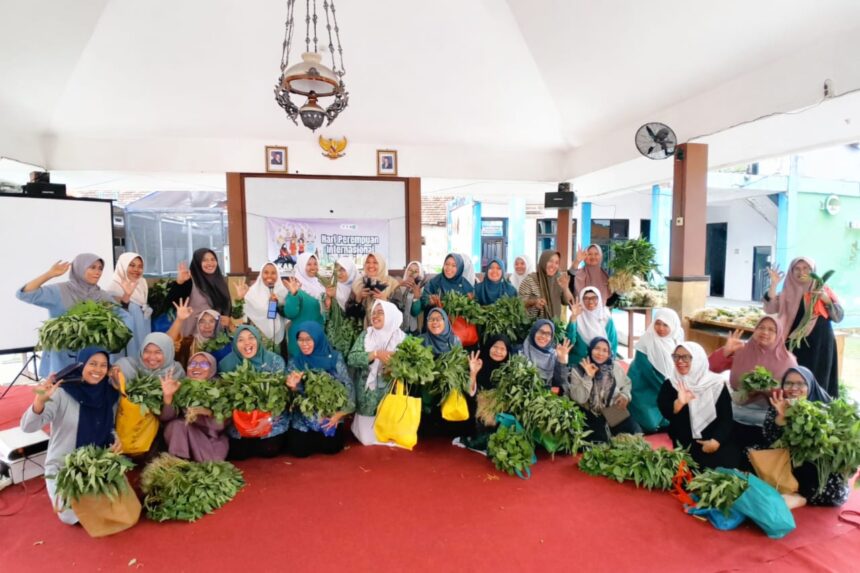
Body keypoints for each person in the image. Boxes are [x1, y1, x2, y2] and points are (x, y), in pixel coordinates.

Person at [20, 347, 120, 525]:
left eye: (103, 365)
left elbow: (109, 426)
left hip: (95, 464)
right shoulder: (62, 392)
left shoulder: (109, 394)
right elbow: (27, 427)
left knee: (116, 506)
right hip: (64, 467)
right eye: (93, 364)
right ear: (81, 364)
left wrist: (115, 439)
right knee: (70, 514)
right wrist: (39, 402)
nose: (98, 370)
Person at [16, 254, 130, 377]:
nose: (97, 272)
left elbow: (122, 317)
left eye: (100, 268)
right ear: (80, 268)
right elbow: (25, 294)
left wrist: (125, 300)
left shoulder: (102, 295)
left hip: (92, 361)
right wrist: (49, 274)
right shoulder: (60, 290)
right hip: (63, 359)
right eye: (92, 267)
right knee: (62, 392)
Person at [708, 316, 797, 450]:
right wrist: (725, 351)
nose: (765, 332)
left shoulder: (788, 360)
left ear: (779, 334)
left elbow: (792, 395)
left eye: (771, 330)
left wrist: (768, 390)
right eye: (761, 328)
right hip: (735, 414)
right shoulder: (741, 351)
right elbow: (710, 368)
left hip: (767, 420)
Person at [764, 366, 848, 507]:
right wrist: (782, 417)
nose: (793, 388)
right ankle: (792, 489)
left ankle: (801, 497)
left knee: (834, 490)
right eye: (788, 383)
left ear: (810, 384)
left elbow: (833, 447)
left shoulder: (827, 407)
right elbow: (770, 439)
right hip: (787, 459)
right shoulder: (779, 404)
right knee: (750, 452)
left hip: (816, 463)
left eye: (800, 383)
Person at [764, 257, 844, 397]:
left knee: (819, 378)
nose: (802, 272)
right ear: (792, 271)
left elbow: (838, 316)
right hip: (794, 344)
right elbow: (770, 308)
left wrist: (826, 300)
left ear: (813, 271)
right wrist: (774, 285)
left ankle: (817, 410)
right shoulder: (787, 291)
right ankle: (790, 410)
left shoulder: (823, 289)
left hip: (820, 344)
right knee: (794, 378)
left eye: (806, 268)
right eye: (797, 269)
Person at [657, 342, 740, 469]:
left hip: (715, 439)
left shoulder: (715, 384)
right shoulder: (671, 383)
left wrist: (716, 441)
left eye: (686, 357)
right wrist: (678, 404)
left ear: (698, 359)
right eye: (676, 357)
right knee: (690, 477)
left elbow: (726, 418)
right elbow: (665, 412)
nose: (680, 361)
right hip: (686, 443)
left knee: (727, 472)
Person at [218, 325, 288, 460]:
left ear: (258, 340)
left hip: (268, 418)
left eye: (251, 338)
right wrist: (243, 420)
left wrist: (267, 419)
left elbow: (281, 397)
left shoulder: (274, 361)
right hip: (240, 420)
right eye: (241, 340)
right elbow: (225, 399)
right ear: (235, 343)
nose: (247, 343)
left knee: (269, 450)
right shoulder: (226, 365)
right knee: (239, 454)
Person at [285, 322, 355, 457]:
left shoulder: (334, 358)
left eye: (308, 339)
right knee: (299, 451)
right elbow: (292, 396)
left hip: (331, 413)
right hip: (305, 415)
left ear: (317, 338)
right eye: (300, 340)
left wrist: (338, 415)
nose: (304, 344)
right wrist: (294, 387)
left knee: (331, 447)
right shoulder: (296, 361)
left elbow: (348, 386)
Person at [347, 300, 407, 446]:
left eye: (380, 312)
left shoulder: (402, 338)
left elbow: (411, 365)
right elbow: (352, 358)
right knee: (367, 439)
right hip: (367, 392)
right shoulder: (366, 335)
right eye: (373, 313)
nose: (375, 316)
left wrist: (396, 366)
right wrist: (374, 354)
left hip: (390, 388)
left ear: (390, 316)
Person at [159, 352, 228, 462]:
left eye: (204, 364)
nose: (197, 367)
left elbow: (220, 426)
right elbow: (165, 418)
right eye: (192, 364)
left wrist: (208, 413)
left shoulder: (220, 390)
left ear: (212, 369)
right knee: (176, 425)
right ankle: (179, 462)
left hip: (210, 440)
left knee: (211, 465)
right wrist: (168, 396)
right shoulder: (179, 386)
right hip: (183, 439)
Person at [568, 337, 640, 443]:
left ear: (609, 353)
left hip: (611, 409)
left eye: (605, 350)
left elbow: (626, 384)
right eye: (596, 348)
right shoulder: (578, 369)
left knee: (635, 433)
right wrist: (588, 377)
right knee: (599, 441)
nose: (600, 353)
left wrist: (625, 395)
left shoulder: (614, 367)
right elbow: (579, 399)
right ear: (590, 349)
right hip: (589, 413)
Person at [628, 308, 684, 433]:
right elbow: (646, 370)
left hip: (664, 384)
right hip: (643, 386)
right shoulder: (646, 341)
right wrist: (667, 389)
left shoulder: (675, 342)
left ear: (673, 326)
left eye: (665, 325)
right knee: (649, 423)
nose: (660, 328)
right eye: (658, 323)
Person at [166, 248, 232, 335]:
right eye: (205, 260)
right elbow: (172, 302)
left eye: (213, 259)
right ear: (197, 263)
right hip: (193, 335)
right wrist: (180, 283)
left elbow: (225, 307)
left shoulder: (220, 282)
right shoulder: (189, 281)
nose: (210, 263)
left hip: (216, 335)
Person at [106, 252, 152, 358]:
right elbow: (116, 319)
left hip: (141, 333)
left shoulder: (142, 283)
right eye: (131, 265)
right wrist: (126, 296)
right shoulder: (114, 288)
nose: (136, 269)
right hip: (126, 343)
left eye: (140, 266)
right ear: (123, 265)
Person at [282, 252, 326, 358]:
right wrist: (293, 294)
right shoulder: (296, 287)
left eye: (315, 264)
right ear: (301, 266)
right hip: (301, 339)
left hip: (317, 336)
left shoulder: (320, 285)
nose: (313, 267)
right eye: (309, 264)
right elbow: (290, 313)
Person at [237, 262, 288, 353]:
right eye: (266, 272)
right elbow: (238, 315)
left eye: (273, 273)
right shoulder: (252, 293)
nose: (270, 276)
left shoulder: (283, 291)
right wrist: (241, 299)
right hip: (258, 337)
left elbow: (288, 314)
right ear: (261, 274)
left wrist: (276, 304)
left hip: (279, 338)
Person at [166, 301, 231, 367]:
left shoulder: (227, 344)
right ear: (197, 324)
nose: (207, 326)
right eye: (202, 322)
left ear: (219, 324)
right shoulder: (188, 342)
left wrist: (232, 325)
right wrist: (179, 319)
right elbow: (166, 344)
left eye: (212, 321)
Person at [565, 286, 618, 366]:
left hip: (601, 364)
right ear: (581, 301)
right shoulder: (577, 318)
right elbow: (568, 343)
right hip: (578, 364)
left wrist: (609, 364)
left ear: (599, 299)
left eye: (594, 298)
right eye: (586, 298)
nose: (590, 302)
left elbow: (612, 344)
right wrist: (573, 318)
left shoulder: (606, 318)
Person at [518, 250, 574, 320]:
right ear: (543, 261)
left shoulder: (558, 280)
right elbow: (519, 303)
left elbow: (569, 302)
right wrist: (534, 302)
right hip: (534, 327)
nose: (553, 265)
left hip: (555, 327)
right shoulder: (530, 280)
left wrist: (565, 288)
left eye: (557, 263)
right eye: (550, 261)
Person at [520, 319, 572, 392]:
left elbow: (563, 388)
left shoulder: (553, 356)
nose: (543, 336)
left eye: (548, 334)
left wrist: (562, 361)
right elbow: (521, 386)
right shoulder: (521, 353)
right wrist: (548, 390)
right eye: (540, 331)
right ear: (534, 332)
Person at [350, 252, 400, 325]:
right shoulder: (358, 284)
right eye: (368, 262)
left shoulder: (392, 283)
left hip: (387, 330)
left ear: (381, 264)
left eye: (375, 262)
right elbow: (351, 314)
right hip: (365, 332)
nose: (371, 266)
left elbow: (401, 309)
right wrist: (358, 299)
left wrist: (386, 300)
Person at [390, 260, 425, 334]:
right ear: (406, 271)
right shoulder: (399, 286)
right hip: (397, 328)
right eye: (410, 270)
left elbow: (415, 313)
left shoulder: (422, 289)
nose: (412, 273)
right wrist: (398, 285)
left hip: (413, 330)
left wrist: (416, 297)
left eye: (416, 271)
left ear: (420, 273)